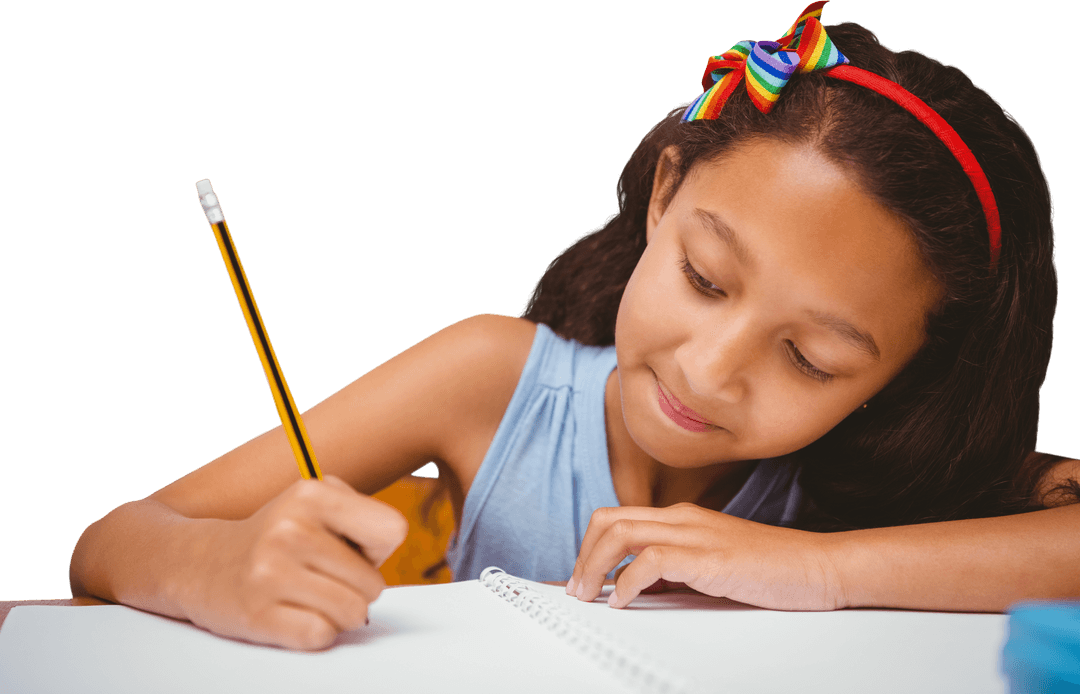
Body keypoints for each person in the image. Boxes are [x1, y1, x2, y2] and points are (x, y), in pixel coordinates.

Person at [68, 1, 1080, 651]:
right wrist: (214, 567)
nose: (709, 369)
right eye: (704, 276)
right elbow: (109, 542)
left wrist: (813, 567)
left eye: (811, 359)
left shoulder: (884, 476)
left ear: (906, 375)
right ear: (664, 194)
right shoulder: (490, 379)